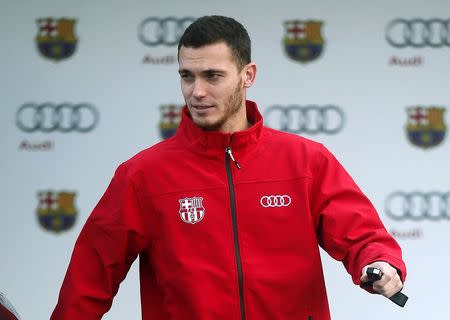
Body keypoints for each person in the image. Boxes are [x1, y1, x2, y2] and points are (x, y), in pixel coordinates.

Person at [50, 15, 406, 320]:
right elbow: (89, 277)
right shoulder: (141, 175)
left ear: (247, 75)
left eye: (212, 76)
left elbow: (362, 235)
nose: (197, 91)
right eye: (187, 76)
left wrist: (381, 263)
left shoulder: (306, 160)